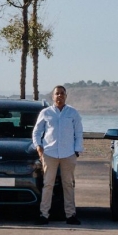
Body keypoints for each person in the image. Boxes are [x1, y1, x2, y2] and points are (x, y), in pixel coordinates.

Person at [32, 85, 84, 225]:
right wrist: (38, 146)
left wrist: (77, 150)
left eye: (62, 93)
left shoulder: (73, 113)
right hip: (49, 153)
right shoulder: (46, 112)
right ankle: (44, 215)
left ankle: (70, 215)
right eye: (57, 93)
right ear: (53, 96)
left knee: (68, 184)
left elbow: (78, 132)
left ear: (66, 96)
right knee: (48, 184)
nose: (59, 96)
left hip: (68, 153)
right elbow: (37, 131)